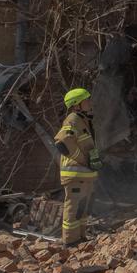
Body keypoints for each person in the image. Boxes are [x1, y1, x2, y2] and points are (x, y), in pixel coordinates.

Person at [54, 88, 101, 245]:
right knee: (74, 207)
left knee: (83, 207)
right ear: (76, 105)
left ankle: (80, 238)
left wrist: (92, 160)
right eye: (86, 100)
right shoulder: (73, 119)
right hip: (75, 174)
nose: (89, 103)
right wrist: (81, 159)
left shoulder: (83, 119)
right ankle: (70, 241)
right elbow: (61, 141)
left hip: (84, 174)